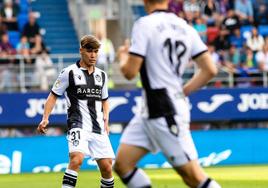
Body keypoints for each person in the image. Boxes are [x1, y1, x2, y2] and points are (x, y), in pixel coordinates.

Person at [114, 0, 221, 188]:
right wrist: (183, 91)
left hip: (164, 110)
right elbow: (210, 70)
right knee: (123, 164)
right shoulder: (185, 27)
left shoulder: (144, 24)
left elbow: (130, 72)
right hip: (152, 109)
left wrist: (123, 57)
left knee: (195, 178)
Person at [37, 35, 115, 188]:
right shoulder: (69, 72)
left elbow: (105, 100)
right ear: (81, 51)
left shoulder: (102, 76)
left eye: (96, 51)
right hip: (77, 124)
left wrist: (106, 118)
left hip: (98, 127)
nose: (93, 55)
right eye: (89, 51)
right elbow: (52, 96)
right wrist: (45, 118)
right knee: (76, 159)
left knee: (107, 167)